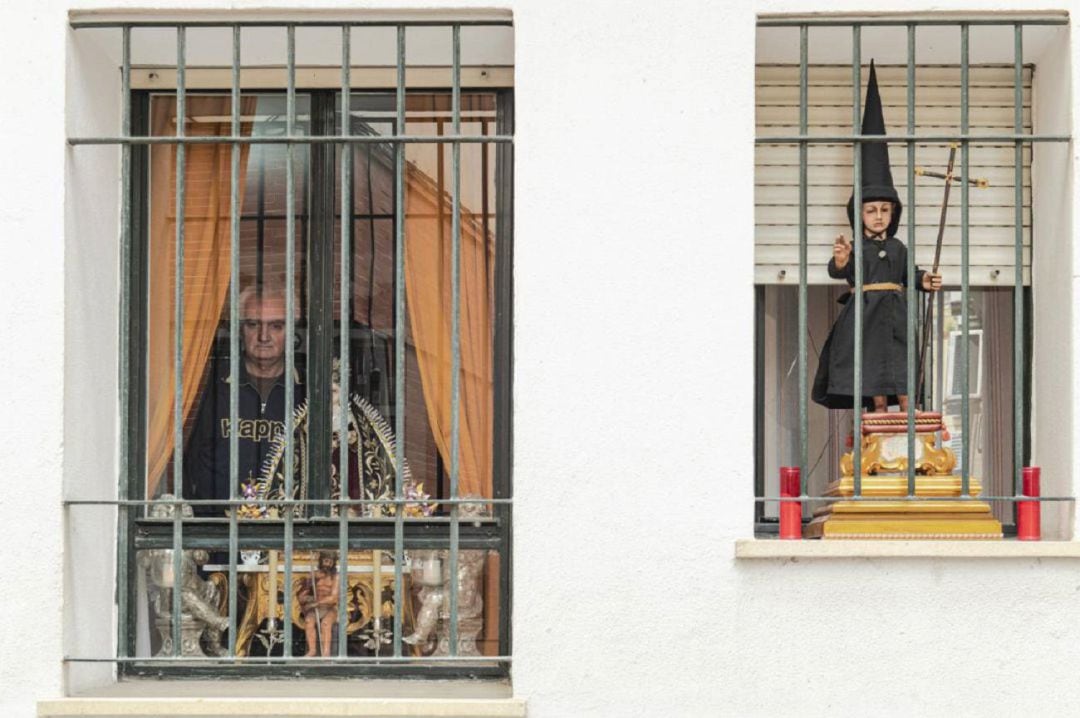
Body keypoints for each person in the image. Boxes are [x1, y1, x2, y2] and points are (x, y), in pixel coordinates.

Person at [812, 61, 942, 413]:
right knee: (870, 367)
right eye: (871, 210)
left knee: (901, 361)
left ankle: (908, 407)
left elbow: (907, 274)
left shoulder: (898, 247)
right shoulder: (858, 249)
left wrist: (924, 280)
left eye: (885, 209)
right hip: (865, 317)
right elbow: (842, 270)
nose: (879, 215)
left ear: (893, 213)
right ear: (860, 215)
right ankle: (879, 412)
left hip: (897, 316)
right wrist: (840, 261)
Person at [183, 286, 305, 514]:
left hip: (287, 536)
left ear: (291, 331)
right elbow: (187, 460)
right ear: (239, 329)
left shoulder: (308, 392)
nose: (264, 336)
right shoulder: (209, 386)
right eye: (253, 324)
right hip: (216, 534)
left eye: (276, 326)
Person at [298, 551, 340, 657]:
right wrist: (308, 597)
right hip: (315, 608)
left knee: (325, 624)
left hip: (329, 608)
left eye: (330, 562)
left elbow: (333, 598)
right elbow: (302, 596)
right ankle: (312, 650)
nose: (327, 564)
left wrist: (317, 603)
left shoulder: (335, 577)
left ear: (333, 563)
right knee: (308, 621)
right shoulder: (313, 576)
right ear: (321, 561)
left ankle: (326, 652)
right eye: (325, 561)